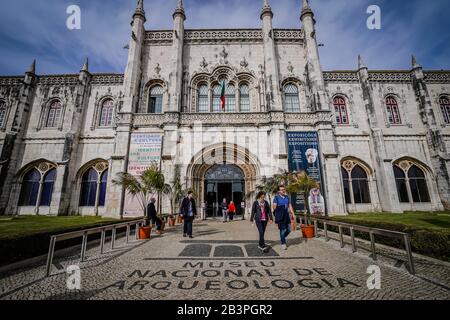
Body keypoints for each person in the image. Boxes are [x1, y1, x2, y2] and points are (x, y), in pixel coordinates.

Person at [272, 185, 295, 250]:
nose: (283, 190)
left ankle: (282, 237)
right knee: (282, 230)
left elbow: (289, 206)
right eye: (282, 190)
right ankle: (283, 243)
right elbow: (274, 207)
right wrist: (277, 214)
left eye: (284, 189)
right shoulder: (276, 198)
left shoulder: (287, 197)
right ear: (279, 191)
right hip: (280, 216)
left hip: (286, 215)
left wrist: (293, 214)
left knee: (289, 229)